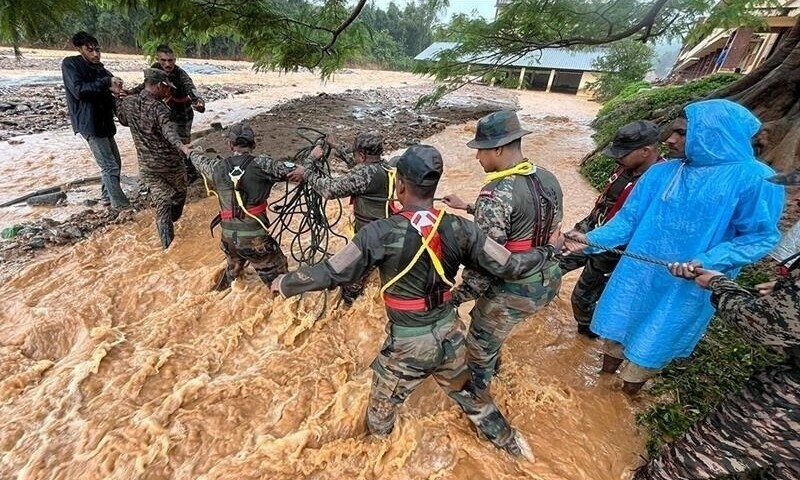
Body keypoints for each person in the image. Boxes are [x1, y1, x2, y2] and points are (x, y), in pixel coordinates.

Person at [271, 144, 565, 459]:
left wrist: (285, 282)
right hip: (450, 337)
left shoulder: (378, 233)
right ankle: (517, 451)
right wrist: (549, 249)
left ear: (399, 185)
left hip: (407, 347)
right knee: (477, 404)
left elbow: (333, 272)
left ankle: (376, 461)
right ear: (434, 185)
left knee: (379, 420)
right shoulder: (462, 229)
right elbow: (510, 265)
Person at [564, 99, 785, 395]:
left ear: (714, 133)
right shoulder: (661, 172)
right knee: (617, 328)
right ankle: (603, 391)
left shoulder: (757, 179)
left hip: (688, 284)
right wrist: (590, 241)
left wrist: (709, 259)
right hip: (637, 274)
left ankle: (626, 396)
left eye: (682, 133)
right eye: (673, 132)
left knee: (654, 341)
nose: (670, 139)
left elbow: (760, 237)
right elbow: (628, 220)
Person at [635, 167, 800, 479]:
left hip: (787, 405)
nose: (798, 199)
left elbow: (762, 324)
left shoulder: (745, 180)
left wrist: (720, 284)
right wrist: (784, 291)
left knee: (679, 468)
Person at [442, 110, 563, 395]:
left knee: (477, 349)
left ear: (497, 149)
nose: (477, 158)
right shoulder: (547, 178)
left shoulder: (495, 194)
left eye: (480, 151)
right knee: (496, 333)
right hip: (548, 279)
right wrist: (468, 207)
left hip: (515, 288)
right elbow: (535, 223)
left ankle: (478, 400)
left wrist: (455, 299)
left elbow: (486, 266)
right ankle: (497, 367)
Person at [560, 121, 663, 338]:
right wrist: (582, 229)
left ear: (646, 151)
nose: (618, 157)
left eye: (623, 153)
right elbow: (606, 202)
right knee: (551, 263)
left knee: (582, 297)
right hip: (591, 228)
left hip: (614, 248)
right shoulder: (626, 167)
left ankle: (588, 334)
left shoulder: (661, 181)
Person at [188, 122, 302, 290]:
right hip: (254, 239)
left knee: (233, 277)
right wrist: (313, 157)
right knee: (279, 283)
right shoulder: (263, 164)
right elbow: (297, 171)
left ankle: (220, 296)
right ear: (254, 145)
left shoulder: (217, 167)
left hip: (228, 239)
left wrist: (188, 151)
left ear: (230, 145)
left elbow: (198, 160)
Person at [293, 132, 398, 307]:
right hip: (385, 231)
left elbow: (329, 190)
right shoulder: (384, 167)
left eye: (356, 153)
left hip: (369, 239)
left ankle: (347, 310)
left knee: (351, 281)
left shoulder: (364, 174)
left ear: (362, 155)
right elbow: (357, 166)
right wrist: (336, 148)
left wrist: (309, 165)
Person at [117, 68, 191, 249]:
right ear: (159, 85)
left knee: (169, 200)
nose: (168, 91)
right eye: (166, 87)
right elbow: (169, 131)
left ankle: (168, 249)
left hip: (149, 168)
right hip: (168, 166)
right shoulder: (159, 108)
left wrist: (119, 97)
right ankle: (170, 248)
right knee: (172, 199)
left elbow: (123, 120)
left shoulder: (128, 103)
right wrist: (182, 147)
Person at [61, 31, 130, 209]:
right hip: (89, 123)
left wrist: (118, 93)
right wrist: (107, 83)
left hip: (105, 123)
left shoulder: (101, 69)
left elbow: (111, 90)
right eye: (89, 50)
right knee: (109, 166)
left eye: (97, 50)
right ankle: (121, 206)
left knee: (116, 163)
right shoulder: (70, 64)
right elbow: (79, 91)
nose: (95, 54)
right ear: (79, 49)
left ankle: (107, 197)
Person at [129, 45, 205, 182]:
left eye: (171, 60)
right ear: (158, 59)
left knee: (182, 144)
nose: (167, 64)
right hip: (165, 112)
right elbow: (145, 86)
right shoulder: (155, 69)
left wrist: (198, 101)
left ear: (175, 60)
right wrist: (130, 94)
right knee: (166, 142)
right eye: (164, 60)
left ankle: (191, 172)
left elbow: (190, 87)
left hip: (183, 113)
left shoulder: (180, 73)